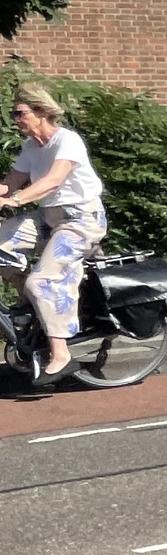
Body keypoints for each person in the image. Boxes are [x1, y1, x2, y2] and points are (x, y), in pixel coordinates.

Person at [0, 84, 106, 385]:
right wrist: (6, 194)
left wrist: (15, 200)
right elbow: (12, 182)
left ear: (41, 111)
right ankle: (30, 303)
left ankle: (61, 355)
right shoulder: (31, 147)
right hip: (48, 219)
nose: (15, 119)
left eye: (20, 113)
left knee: (42, 280)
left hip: (81, 220)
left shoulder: (66, 141)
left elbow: (53, 180)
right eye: (13, 113)